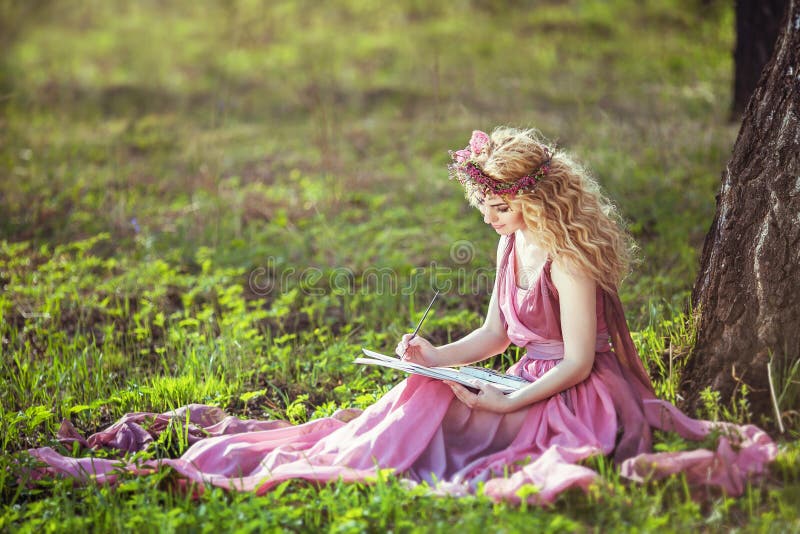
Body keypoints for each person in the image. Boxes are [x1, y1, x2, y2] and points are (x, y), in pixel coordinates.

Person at [28, 127, 775, 505]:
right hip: (526, 378)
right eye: (484, 206)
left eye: (499, 205)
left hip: (575, 399)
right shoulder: (512, 248)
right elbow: (492, 336)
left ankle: (375, 456)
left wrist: (505, 394)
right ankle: (366, 445)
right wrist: (434, 355)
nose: (489, 218)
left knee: (450, 407)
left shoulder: (568, 259)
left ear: (536, 201)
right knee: (423, 384)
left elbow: (577, 360)